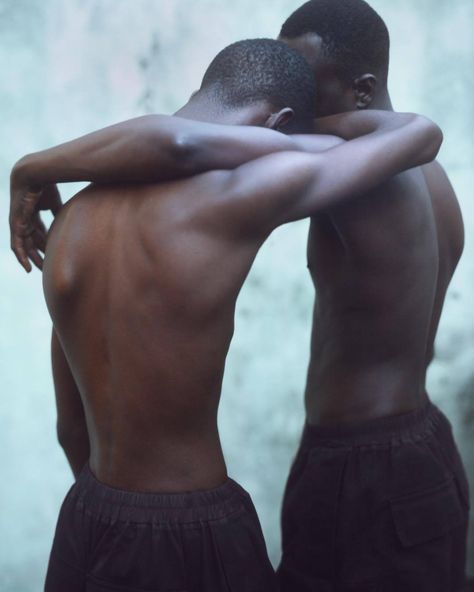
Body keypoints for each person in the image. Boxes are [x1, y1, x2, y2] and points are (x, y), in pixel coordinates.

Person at [9, 24, 449, 592]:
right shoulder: (236, 195)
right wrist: (279, 142)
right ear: (280, 125)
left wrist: (36, 166)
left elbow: (71, 428)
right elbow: (417, 135)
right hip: (193, 528)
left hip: (88, 521)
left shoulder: (70, 222)